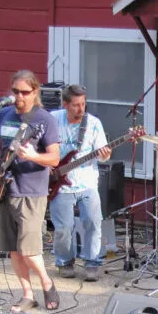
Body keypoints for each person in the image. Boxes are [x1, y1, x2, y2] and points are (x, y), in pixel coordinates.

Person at [0, 70, 61, 312]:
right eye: (15, 91)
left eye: (25, 92)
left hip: (31, 190)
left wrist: (34, 156)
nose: (19, 96)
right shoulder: (4, 114)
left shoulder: (44, 119)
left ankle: (47, 282)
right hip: (6, 188)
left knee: (29, 249)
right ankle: (27, 294)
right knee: (14, 249)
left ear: (35, 92)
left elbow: (55, 158)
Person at [49, 84, 112, 282]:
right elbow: (40, 148)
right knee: (63, 228)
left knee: (93, 222)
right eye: (76, 105)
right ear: (65, 104)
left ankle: (92, 263)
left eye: (83, 104)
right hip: (60, 183)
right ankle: (64, 262)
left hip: (87, 182)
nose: (81, 109)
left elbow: (103, 155)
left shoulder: (93, 123)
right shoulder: (52, 120)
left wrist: (105, 154)